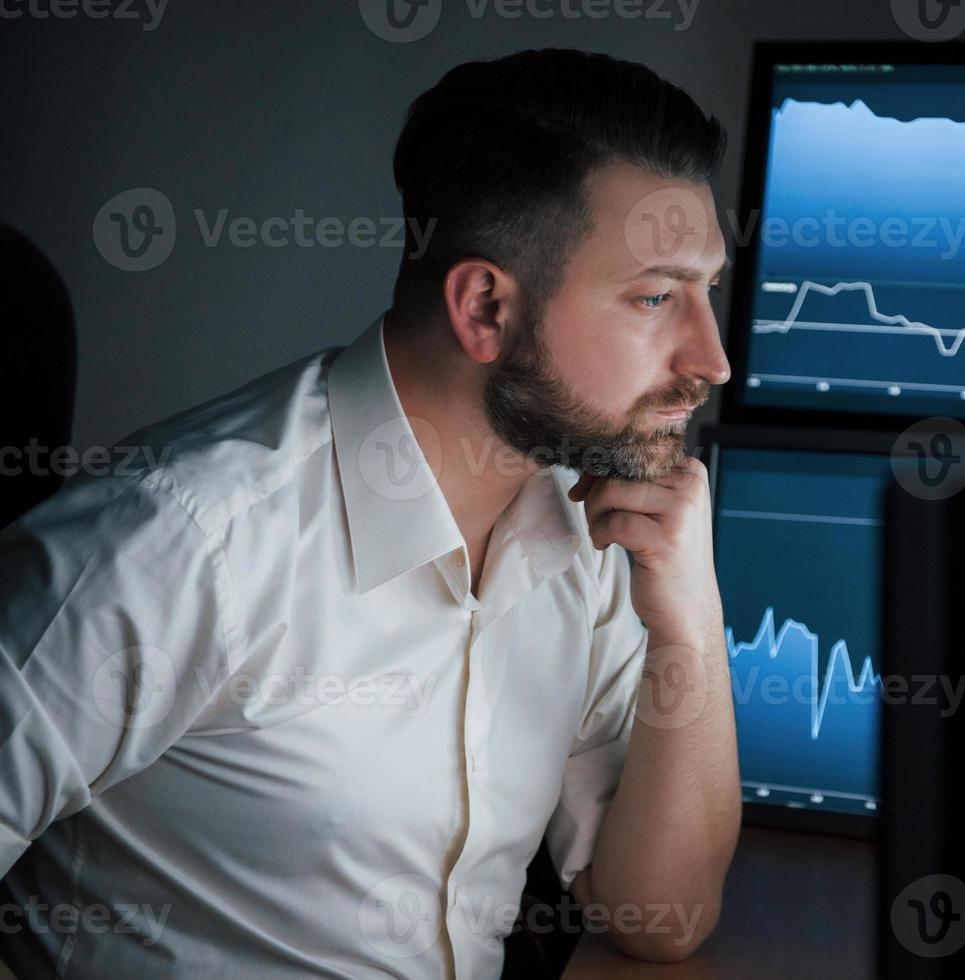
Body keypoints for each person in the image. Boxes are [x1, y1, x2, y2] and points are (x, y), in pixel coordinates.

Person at [0, 48, 740, 979]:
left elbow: (660, 918)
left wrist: (694, 624)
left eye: (704, 291)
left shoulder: (593, 535)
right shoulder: (179, 542)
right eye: (656, 298)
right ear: (484, 306)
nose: (711, 360)